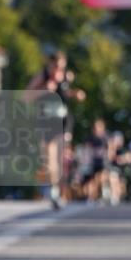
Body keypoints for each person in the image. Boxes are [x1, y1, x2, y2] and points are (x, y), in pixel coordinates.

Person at [23, 50, 86, 209]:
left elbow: (64, 93)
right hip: (45, 120)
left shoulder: (66, 76)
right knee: (49, 158)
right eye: (56, 66)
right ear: (50, 64)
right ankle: (53, 190)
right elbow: (26, 96)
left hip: (62, 120)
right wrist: (44, 88)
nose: (58, 69)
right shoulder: (42, 76)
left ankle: (57, 191)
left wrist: (75, 94)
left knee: (60, 157)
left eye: (61, 66)